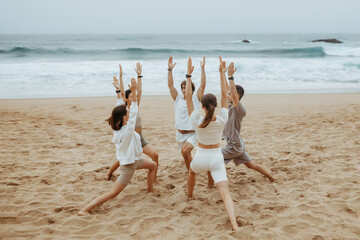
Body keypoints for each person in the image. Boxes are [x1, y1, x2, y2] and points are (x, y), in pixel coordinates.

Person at [78, 78, 156, 216]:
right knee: (113, 193)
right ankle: (85, 209)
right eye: (127, 112)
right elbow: (133, 113)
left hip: (132, 160)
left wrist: (118, 91)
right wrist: (134, 92)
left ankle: (150, 191)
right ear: (124, 118)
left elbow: (120, 106)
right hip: (129, 166)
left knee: (153, 165)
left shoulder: (117, 128)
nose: (128, 110)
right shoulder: (127, 131)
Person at [186, 57, 239, 231]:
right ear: (216, 106)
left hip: (201, 157)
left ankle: (190, 195)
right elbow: (225, 95)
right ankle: (234, 224)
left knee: (192, 171)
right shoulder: (223, 118)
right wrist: (222, 74)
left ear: (202, 106)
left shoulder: (196, 120)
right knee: (225, 193)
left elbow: (188, 97)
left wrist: (188, 75)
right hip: (217, 158)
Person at [220, 57, 274, 183]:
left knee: (214, 158)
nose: (228, 95)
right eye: (228, 94)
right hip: (237, 144)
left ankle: (212, 184)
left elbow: (232, 92)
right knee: (250, 165)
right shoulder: (229, 105)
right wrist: (222, 74)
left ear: (237, 97)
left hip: (234, 146)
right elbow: (228, 90)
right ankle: (271, 177)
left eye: (231, 94)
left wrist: (231, 77)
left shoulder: (239, 109)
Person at [105, 63, 159, 183]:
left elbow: (139, 92)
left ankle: (154, 178)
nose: (133, 97)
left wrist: (139, 76)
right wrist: (120, 78)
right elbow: (122, 93)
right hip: (129, 140)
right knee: (121, 161)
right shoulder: (125, 111)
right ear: (126, 98)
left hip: (140, 137)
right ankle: (109, 172)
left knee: (155, 155)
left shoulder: (135, 106)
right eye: (130, 96)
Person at [167, 56, 213, 187]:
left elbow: (203, 85)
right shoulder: (177, 99)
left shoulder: (196, 99)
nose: (184, 89)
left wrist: (202, 69)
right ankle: (191, 173)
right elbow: (170, 85)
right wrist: (169, 70)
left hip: (193, 134)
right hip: (180, 134)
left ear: (191, 90)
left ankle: (192, 172)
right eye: (182, 87)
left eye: (186, 87)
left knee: (185, 151)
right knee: (185, 155)